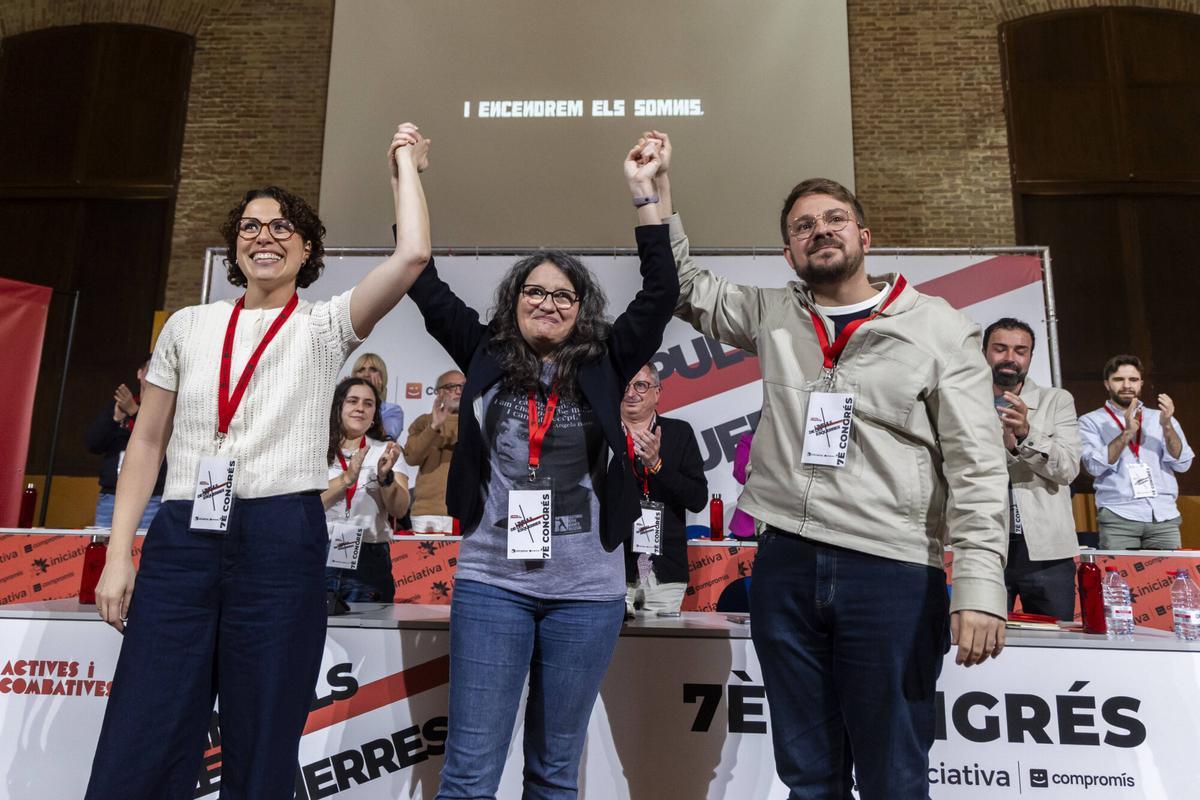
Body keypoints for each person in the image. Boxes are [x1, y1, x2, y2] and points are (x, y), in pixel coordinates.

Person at [642, 130, 1008, 799]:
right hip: (786, 565)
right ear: (789, 252)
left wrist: (982, 587)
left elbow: (979, 467)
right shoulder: (774, 313)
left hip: (892, 570)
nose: (820, 230)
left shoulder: (939, 328)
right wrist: (655, 194)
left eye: (834, 218)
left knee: (894, 772)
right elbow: (685, 284)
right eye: (802, 226)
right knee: (809, 776)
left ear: (866, 236)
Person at [84, 123, 432, 800]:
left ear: (307, 250)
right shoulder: (188, 325)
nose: (264, 236)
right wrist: (121, 553)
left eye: (282, 227)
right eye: (250, 226)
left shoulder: (324, 326)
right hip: (185, 538)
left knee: (263, 737)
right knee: (143, 733)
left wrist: (404, 167)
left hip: (280, 541)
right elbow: (146, 444)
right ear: (234, 245)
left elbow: (413, 255)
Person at [405, 139, 676, 799]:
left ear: (581, 307)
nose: (548, 303)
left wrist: (647, 192)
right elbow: (422, 279)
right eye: (535, 291)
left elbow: (662, 289)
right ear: (515, 298)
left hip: (587, 593)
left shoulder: (606, 363)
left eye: (564, 294)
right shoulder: (484, 352)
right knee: (469, 776)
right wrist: (407, 175)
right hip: (492, 583)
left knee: (555, 777)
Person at [983, 318, 1080, 619]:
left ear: (1030, 357)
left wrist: (1026, 434)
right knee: (978, 647)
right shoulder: (964, 401)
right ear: (983, 352)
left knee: (1056, 648)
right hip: (984, 546)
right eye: (1000, 349)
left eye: (1020, 351)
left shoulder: (1057, 401)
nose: (1010, 358)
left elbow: (1067, 470)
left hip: (1047, 550)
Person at [1079, 355, 1193, 550]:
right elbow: (1094, 467)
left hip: (1163, 515)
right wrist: (1127, 433)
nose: (1126, 385)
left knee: (1167, 577)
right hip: (1119, 515)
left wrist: (1167, 427)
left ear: (1140, 383)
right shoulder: (1090, 421)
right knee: (1120, 578)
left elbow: (1183, 464)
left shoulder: (1161, 417)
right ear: (1107, 384)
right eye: (1118, 379)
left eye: (1132, 379)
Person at [620, 363, 708, 614]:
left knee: (661, 652)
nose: (631, 393)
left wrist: (657, 465)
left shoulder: (679, 433)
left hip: (665, 571)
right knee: (613, 652)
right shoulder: (605, 435)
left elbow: (697, 499)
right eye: (625, 385)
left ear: (657, 393)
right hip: (612, 569)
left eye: (641, 385)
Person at [323, 377, 410, 602]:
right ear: (339, 407)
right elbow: (306, 505)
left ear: (374, 415)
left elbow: (399, 510)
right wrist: (346, 478)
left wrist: (385, 478)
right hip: (318, 552)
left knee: (366, 634)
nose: (360, 408)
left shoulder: (387, 451)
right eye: (353, 401)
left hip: (368, 556)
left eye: (368, 403)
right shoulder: (317, 451)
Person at [84, 357, 167, 529]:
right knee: (104, 551)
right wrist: (115, 418)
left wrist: (134, 412)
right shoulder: (120, 406)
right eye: (149, 370)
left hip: (150, 498)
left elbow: (160, 442)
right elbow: (92, 444)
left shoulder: (166, 412)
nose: (153, 376)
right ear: (139, 373)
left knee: (142, 553)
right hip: (112, 497)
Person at [403, 369, 464, 534]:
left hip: (464, 513)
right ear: (439, 392)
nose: (459, 391)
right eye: (452, 387)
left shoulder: (475, 422)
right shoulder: (424, 422)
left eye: (463, 386)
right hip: (426, 512)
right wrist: (434, 426)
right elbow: (411, 458)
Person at [352, 352, 405, 440]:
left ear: (382, 376)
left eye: (372, 369)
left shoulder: (393, 410)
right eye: (361, 370)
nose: (366, 374)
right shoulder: (344, 406)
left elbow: (386, 438)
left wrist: (373, 396)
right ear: (354, 376)